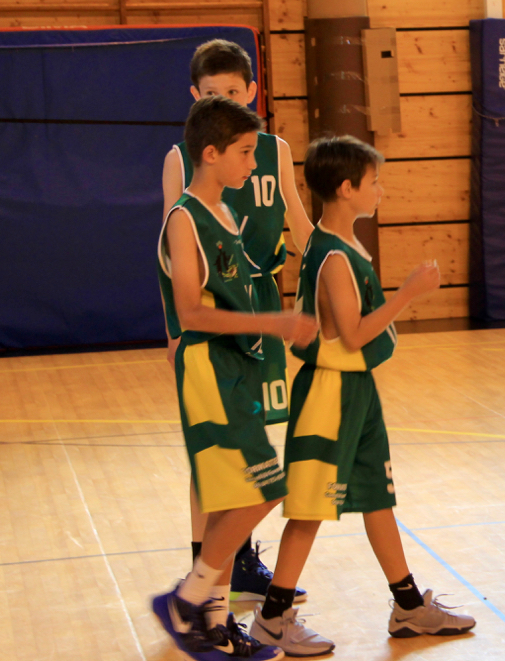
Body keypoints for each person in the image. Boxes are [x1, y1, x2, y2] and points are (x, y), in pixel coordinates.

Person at [250, 135, 476, 655]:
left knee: (376, 496)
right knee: (310, 507)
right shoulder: (333, 256)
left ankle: (408, 606)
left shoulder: (341, 243)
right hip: (329, 393)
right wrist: (407, 294)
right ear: (347, 188)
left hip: (357, 390)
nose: (381, 190)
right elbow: (351, 335)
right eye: (375, 182)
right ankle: (273, 618)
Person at [152, 95, 317, 660]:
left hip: (237, 366)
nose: (253, 163)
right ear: (210, 153)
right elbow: (191, 312)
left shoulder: (224, 212)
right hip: (208, 369)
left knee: (231, 503)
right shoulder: (185, 219)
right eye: (245, 152)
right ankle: (186, 600)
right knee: (268, 488)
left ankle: (216, 623)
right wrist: (272, 322)